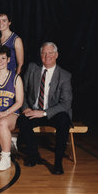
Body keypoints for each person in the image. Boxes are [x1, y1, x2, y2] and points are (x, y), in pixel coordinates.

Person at [17, 42, 72, 175]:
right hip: (34, 110)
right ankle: (33, 155)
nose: (47, 56)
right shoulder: (32, 68)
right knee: (22, 120)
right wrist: (25, 109)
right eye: (44, 53)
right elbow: (22, 91)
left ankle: (58, 162)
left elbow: (66, 104)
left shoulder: (64, 75)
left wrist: (44, 113)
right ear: (41, 55)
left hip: (54, 113)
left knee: (64, 121)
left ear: (56, 55)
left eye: (50, 53)